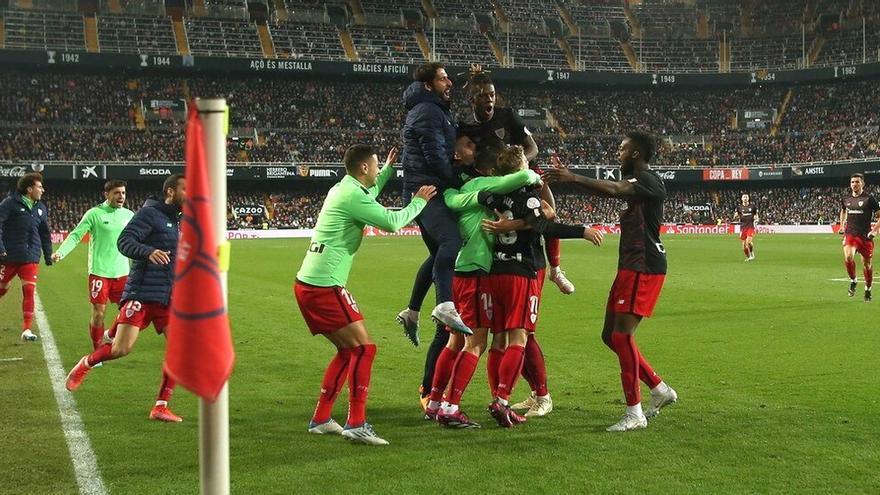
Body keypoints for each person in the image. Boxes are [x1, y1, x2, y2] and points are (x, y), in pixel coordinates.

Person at [296, 145, 435, 446]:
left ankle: (321, 418)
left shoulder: (343, 189)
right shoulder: (352, 196)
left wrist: (385, 170)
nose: (376, 170)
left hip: (309, 283)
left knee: (349, 351)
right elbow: (393, 222)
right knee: (364, 349)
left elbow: (369, 195)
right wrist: (419, 202)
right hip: (324, 286)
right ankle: (356, 423)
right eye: (374, 166)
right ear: (363, 169)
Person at [545, 131, 678, 432]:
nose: (618, 154)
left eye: (622, 149)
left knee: (621, 336)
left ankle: (635, 412)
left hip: (644, 267)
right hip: (631, 266)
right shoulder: (637, 183)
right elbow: (616, 189)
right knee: (610, 335)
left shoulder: (649, 180)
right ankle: (658, 389)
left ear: (635, 154)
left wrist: (573, 178)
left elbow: (616, 189)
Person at [424, 144, 544, 428]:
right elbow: (522, 180)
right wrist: (534, 176)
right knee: (476, 343)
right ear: (492, 170)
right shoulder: (495, 184)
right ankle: (452, 408)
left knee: (455, 341)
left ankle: (434, 402)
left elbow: (451, 199)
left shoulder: (458, 192)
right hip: (479, 270)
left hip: (458, 270)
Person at [65, 174, 187, 423]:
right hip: (142, 293)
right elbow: (125, 242)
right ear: (171, 192)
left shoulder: (175, 219)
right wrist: (148, 251)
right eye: (187, 189)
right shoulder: (149, 214)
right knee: (121, 349)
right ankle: (85, 363)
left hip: (166, 296)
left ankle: (160, 406)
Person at [457, 66, 575, 295]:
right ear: (473, 100)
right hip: (492, 180)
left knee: (549, 211)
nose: (489, 99)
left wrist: (520, 165)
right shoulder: (466, 127)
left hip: (520, 170)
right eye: (483, 95)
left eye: (491, 94)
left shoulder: (507, 115)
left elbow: (533, 148)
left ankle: (556, 270)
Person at [399, 62, 472, 411]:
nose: (450, 82)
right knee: (450, 243)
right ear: (429, 84)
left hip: (427, 185)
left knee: (436, 255)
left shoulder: (432, 109)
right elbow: (434, 155)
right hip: (427, 188)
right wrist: (457, 179)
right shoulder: (428, 110)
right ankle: (443, 304)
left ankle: (413, 311)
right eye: (443, 78)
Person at [52, 180, 134, 351]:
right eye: (117, 193)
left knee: (129, 310)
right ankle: (97, 349)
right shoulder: (94, 214)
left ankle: (110, 335)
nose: (121, 196)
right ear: (107, 194)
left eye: (124, 193)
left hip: (122, 272)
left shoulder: (129, 215)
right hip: (100, 272)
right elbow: (75, 236)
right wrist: (61, 252)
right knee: (98, 314)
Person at [0, 172, 52, 342]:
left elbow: (45, 233)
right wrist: (1, 249)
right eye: (39, 187)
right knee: (2, 288)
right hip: (8, 256)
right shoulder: (9, 203)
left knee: (29, 290)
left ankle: (27, 329)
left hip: (30, 256)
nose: (42, 190)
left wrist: (48, 254)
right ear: (29, 189)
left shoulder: (41, 208)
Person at [839, 173, 880, 301]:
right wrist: (841, 225)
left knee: (867, 265)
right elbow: (844, 210)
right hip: (850, 233)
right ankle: (853, 280)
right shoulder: (846, 198)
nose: (854, 184)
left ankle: (868, 289)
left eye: (857, 182)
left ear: (863, 183)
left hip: (865, 236)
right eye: (852, 182)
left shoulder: (870, 199)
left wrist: (874, 230)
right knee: (848, 256)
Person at [733, 193, 758, 261]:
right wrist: (735, 216)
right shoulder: (739, 207)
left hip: (750, 226)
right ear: (741, 199)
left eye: (746, 197)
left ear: (748, 198)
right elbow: (736, 215)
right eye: (744, 197)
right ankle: (748, 256)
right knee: (744, 245)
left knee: (748, 242)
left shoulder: (753, 207)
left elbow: (756, 215)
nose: (745, 198)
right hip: (743, 227)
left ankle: (752, 254)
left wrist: (756, 218)